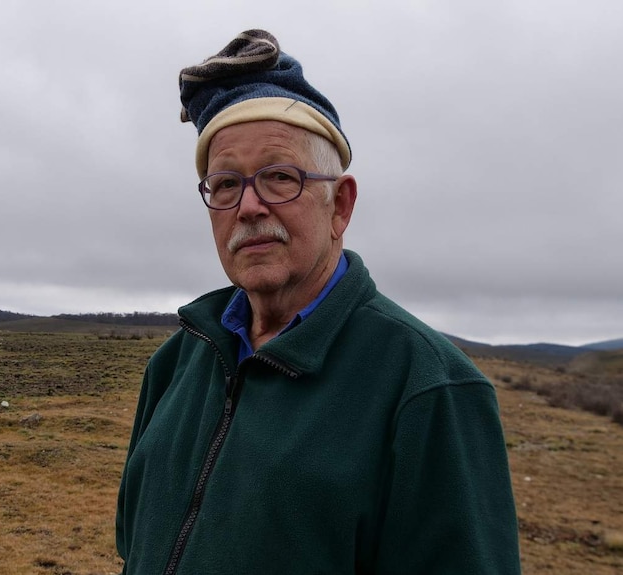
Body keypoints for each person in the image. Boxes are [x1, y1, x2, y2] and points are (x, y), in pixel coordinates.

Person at [116, 29, 521, 574]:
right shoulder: (176, 363)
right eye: (226, 184)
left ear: (341, 205)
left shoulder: (428, 389)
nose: (249, 206)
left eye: (280, 177)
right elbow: (136, 547)